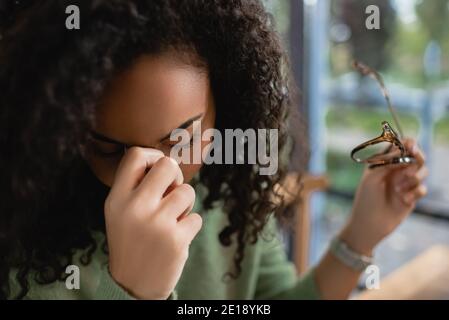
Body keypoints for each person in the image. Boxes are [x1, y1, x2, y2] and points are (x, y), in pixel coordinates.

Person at [0, 0, 427, 300]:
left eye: (182, 137)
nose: (157, 176)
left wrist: (361, 235)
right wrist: (133, 290)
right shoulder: (28, 248)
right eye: (110, 149)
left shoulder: (231, 193)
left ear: (225, 101)